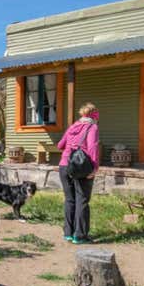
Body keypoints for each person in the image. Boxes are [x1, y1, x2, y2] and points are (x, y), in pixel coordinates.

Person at [57, 102, 100, 244]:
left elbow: (60, 145)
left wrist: (71, 146)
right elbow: (93, 148)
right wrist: (94, 168)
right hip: (81, 168)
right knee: (82, 201)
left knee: (70, 199)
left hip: (65, 165)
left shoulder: (73, 127)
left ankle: (68, 233)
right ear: (94, 116)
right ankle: (80, 236)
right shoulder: (92, 127)